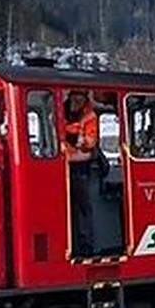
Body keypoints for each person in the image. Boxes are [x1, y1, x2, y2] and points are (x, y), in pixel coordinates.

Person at [64, 92, 98, 257]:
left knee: (83, 208)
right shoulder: (58, 110)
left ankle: (86, 247)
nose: (77, 101)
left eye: (80, 98)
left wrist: (75, 138)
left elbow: (89, 143)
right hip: (60, 166)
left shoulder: (89, 116)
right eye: (74, 97)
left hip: (81, 167)